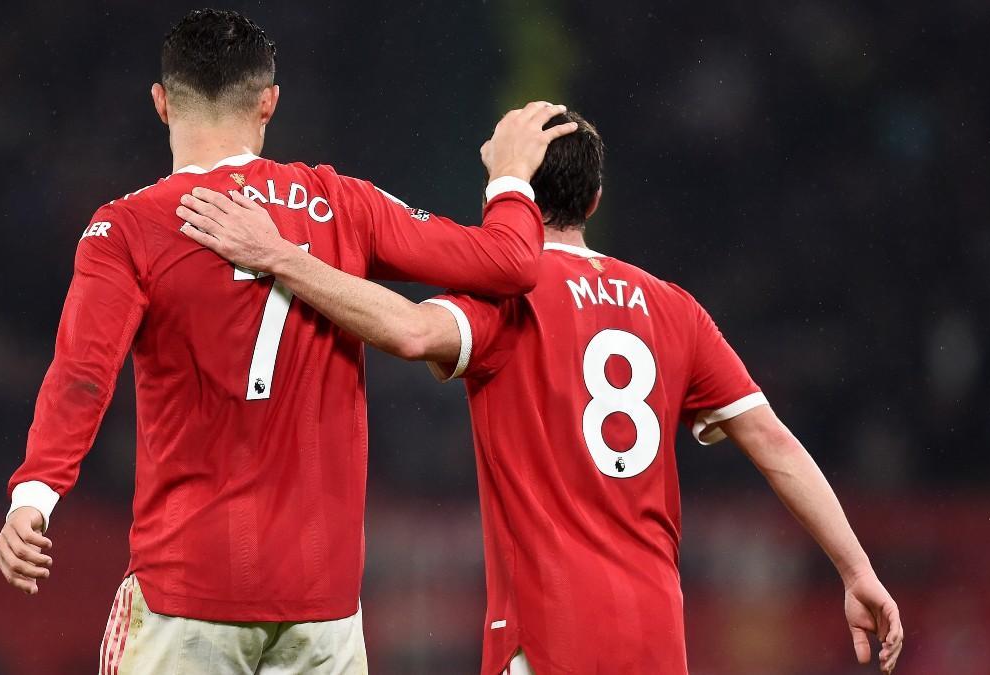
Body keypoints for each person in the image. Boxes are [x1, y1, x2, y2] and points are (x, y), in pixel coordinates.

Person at [178, 111, 905, 674]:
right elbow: (774, 441)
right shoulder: (673, 308)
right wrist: (858, 569)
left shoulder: (509, 298)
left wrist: (276, 255)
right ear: (593, 197)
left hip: (549, 636)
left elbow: (403, 329)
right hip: (655, 637)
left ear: (512, 193)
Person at [0, 8, 576, 673]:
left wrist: (33, 497)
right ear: (268, 102)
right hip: (321, 602)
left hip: (190, 588)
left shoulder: (129, 227)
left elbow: (82, 374)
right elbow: (509, 263)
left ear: (160, 103)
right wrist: (509, 177)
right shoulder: (340, 203)